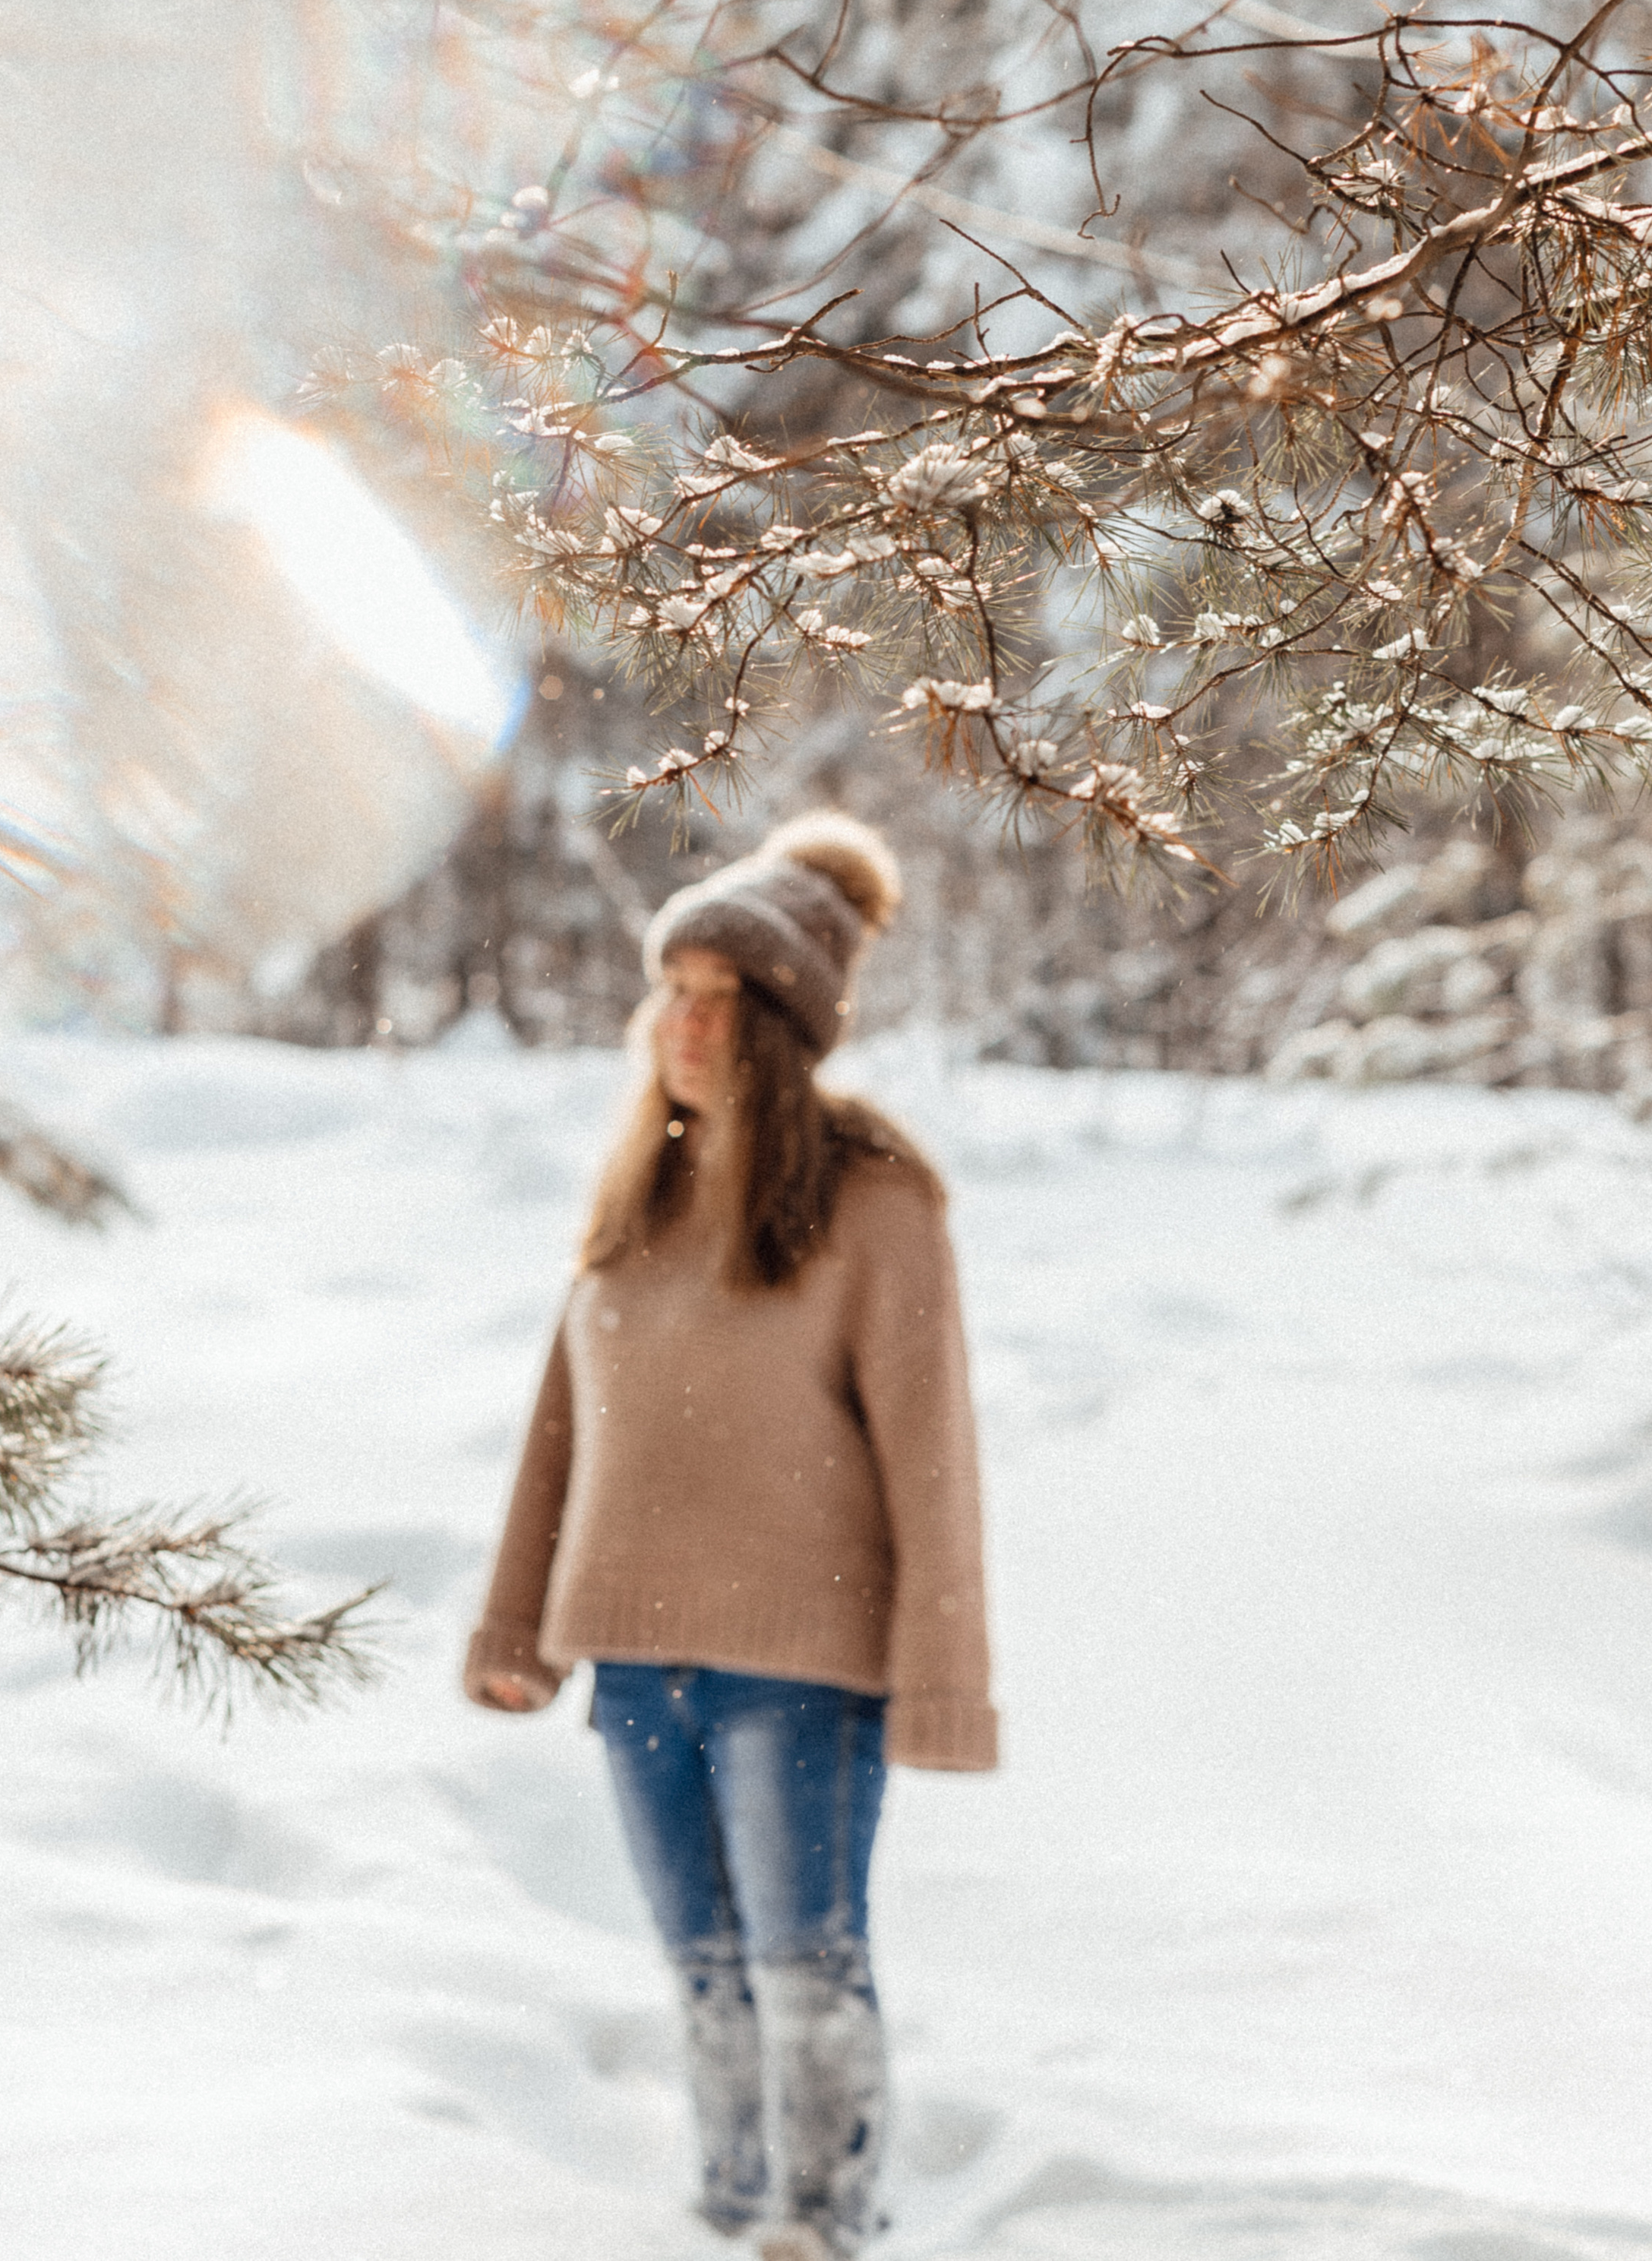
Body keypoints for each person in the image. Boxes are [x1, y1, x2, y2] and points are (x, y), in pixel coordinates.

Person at [463, 811, 998, 2261]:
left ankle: (821, 2224)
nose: (677, 1024)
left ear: (774, 1024)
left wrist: (946, 1681)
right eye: (669, 991)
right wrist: (516, 1631)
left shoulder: (878, 1207)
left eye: (713, 998)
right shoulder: (636, 1200)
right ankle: (727, 2208)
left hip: (802, 1663)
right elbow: (557, 1436)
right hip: (634, 1662)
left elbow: (934, 1466)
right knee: (702, 1969)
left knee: (803, 1963)